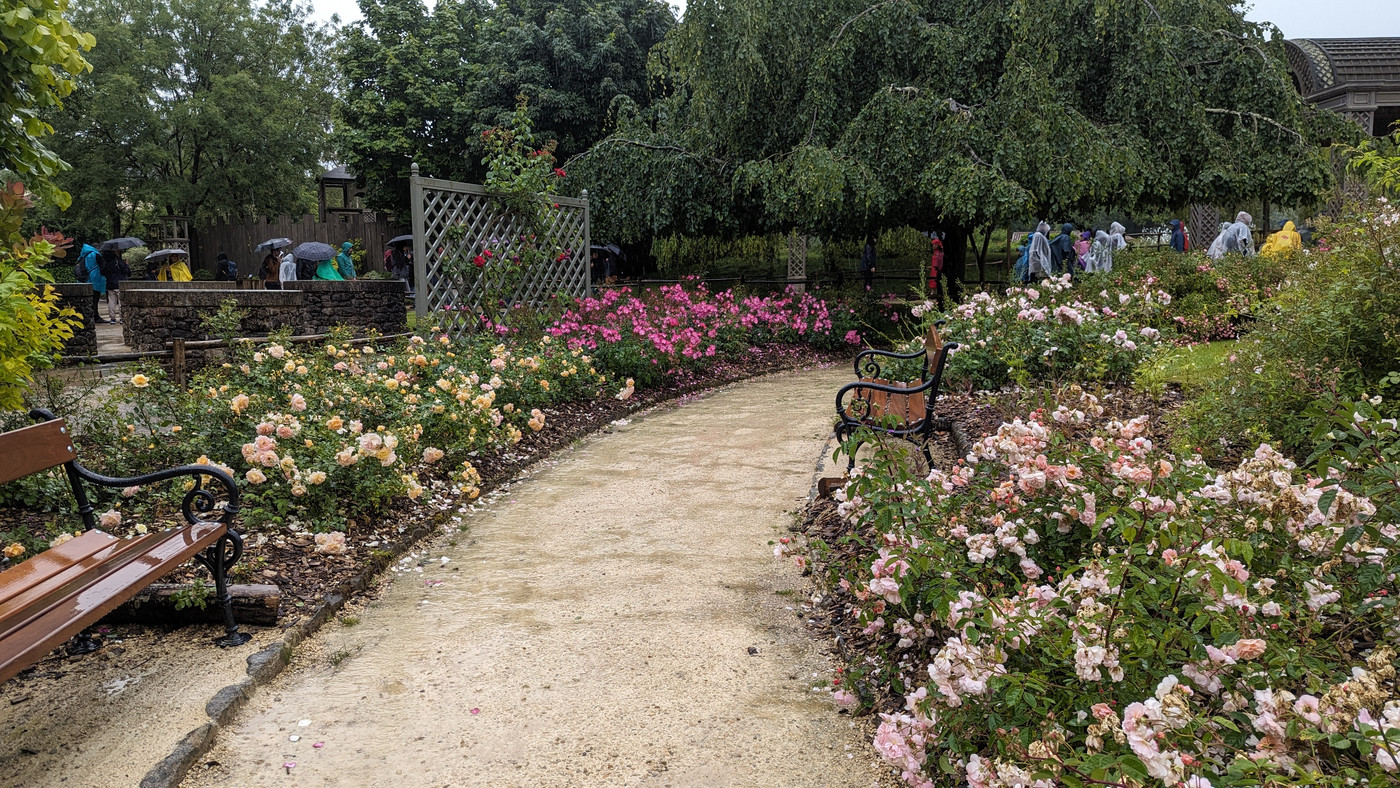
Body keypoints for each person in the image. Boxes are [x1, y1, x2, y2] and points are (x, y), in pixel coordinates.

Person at [99, 249, 129, 323]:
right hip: (119, 283)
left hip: (109, 283)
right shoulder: (118, 261)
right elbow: (126, 271)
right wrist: (126, 264)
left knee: (111, 301)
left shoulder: (105, 261)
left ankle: (112, 318)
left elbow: (102, 272)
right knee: (121, 301)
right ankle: (122, 317)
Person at [78, 243, 106, 321]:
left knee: (87, 300)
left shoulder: (83, 254)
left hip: (84, 279)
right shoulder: (96, 254)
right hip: (95, 279)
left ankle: (87, 316)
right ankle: (96, 316)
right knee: (95, 299)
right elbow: (103, 267)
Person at [927, 233, 945, 309]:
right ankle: (933, 292)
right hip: (934, 268)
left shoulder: (939, 254)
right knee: (933, 279)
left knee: (935, 279)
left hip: (936, 268)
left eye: (934, 244)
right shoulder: (936, 253)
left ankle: (935, 292)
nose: (933, 246)